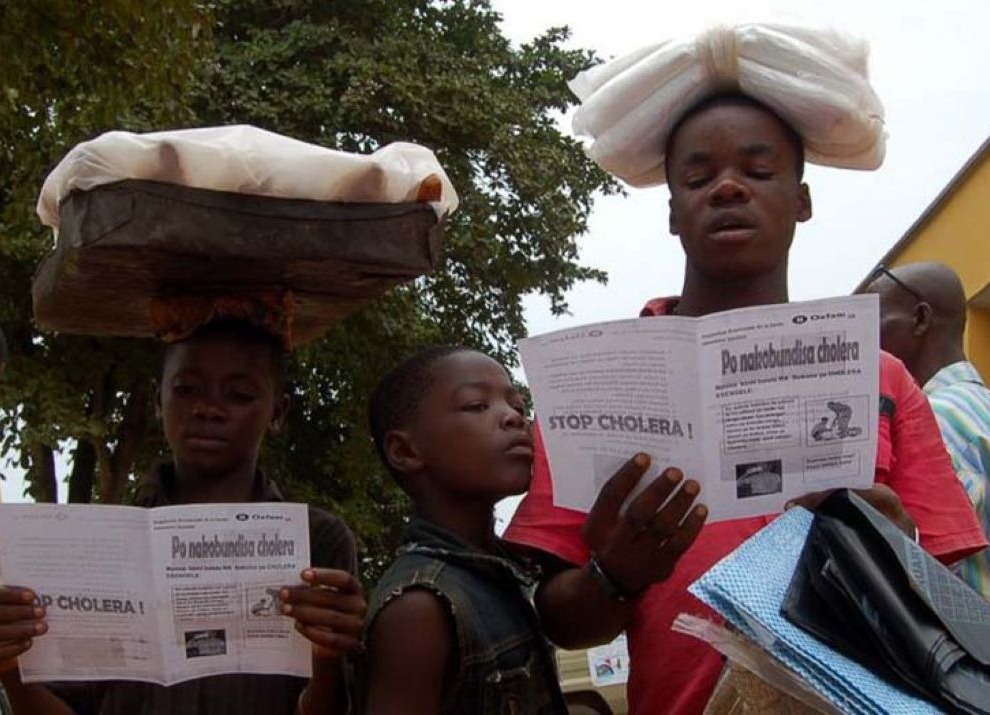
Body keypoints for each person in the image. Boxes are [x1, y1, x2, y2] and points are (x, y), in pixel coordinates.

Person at [504, 33, 989, 713]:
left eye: (757, 170)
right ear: (673, 209)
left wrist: (892, 546)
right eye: (698, 177)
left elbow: (956, 599)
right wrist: (616, 572)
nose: (727, 186)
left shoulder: (881, 378)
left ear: (802, 200)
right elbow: (560, 618)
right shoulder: (595, 385)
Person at [0, 317, 366, 714]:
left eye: (239, 394)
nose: (209, 409)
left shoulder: (317, 541)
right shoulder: (100, 545)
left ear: (278, 411)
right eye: (187, 389)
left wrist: (326, 656)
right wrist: (9, 666)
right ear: (159, 401)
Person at [360, 346, 702, 713]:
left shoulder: (503, 576)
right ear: (405, 450)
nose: (513, 418)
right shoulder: (419, 608)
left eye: (519, 408)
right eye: (477, 405)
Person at [865, 261, 990, 598]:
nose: (861, 343)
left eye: (870, 323)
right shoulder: (978, 409)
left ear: (919, 319)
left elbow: (936, 573)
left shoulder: (933, 423)